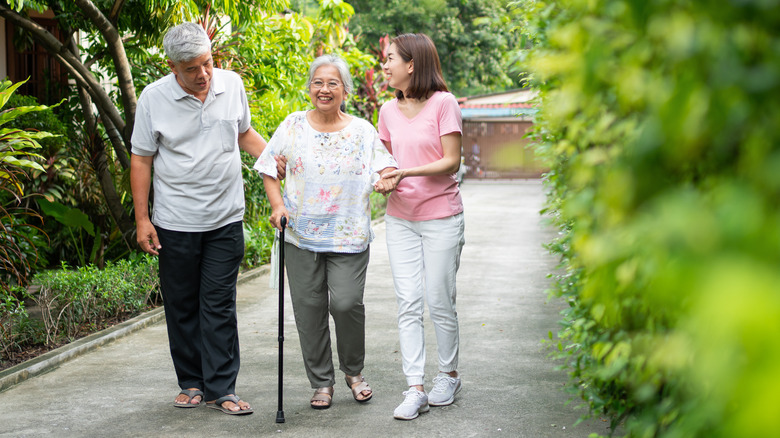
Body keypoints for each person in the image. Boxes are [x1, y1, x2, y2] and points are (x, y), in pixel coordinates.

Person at [130, 22, 283, 415]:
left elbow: (244, 133)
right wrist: (143, 220)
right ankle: (191, 383)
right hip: (175, 221)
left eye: (208, 63)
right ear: (172, 67)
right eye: (192, 68)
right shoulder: (153, 98)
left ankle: (223, 388)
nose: (203, 75)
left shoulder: (230, 85)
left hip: (225, 219)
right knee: (181, 305)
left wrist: (275, 160)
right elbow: (142, 159)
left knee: (218, 304)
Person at [254, 54, 398, 410]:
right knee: (309, 309)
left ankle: (353, 371)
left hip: (348, 235)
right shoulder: (292, 125)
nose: (324, 89)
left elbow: (388, 166)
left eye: (333, 83)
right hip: (300, 236)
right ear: (309, 88)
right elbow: (269, 167)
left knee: (347, 303)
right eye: (318, 82)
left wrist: (384, 180)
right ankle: (321, 382)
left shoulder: (363, 131)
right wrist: (277, 206)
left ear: (345, 90)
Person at [376, 33, 466, 421]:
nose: (384, 64)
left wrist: (405, 171)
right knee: (408, 302)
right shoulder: (386, 110)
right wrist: (382, 178)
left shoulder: (444, 104)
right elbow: (382, 159)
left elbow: (451, 161)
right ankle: (415, 386)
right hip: (400, 219)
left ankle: (448, 374)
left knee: (439, 299)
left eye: (390, 58)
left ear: (412, 64)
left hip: (442, 216)